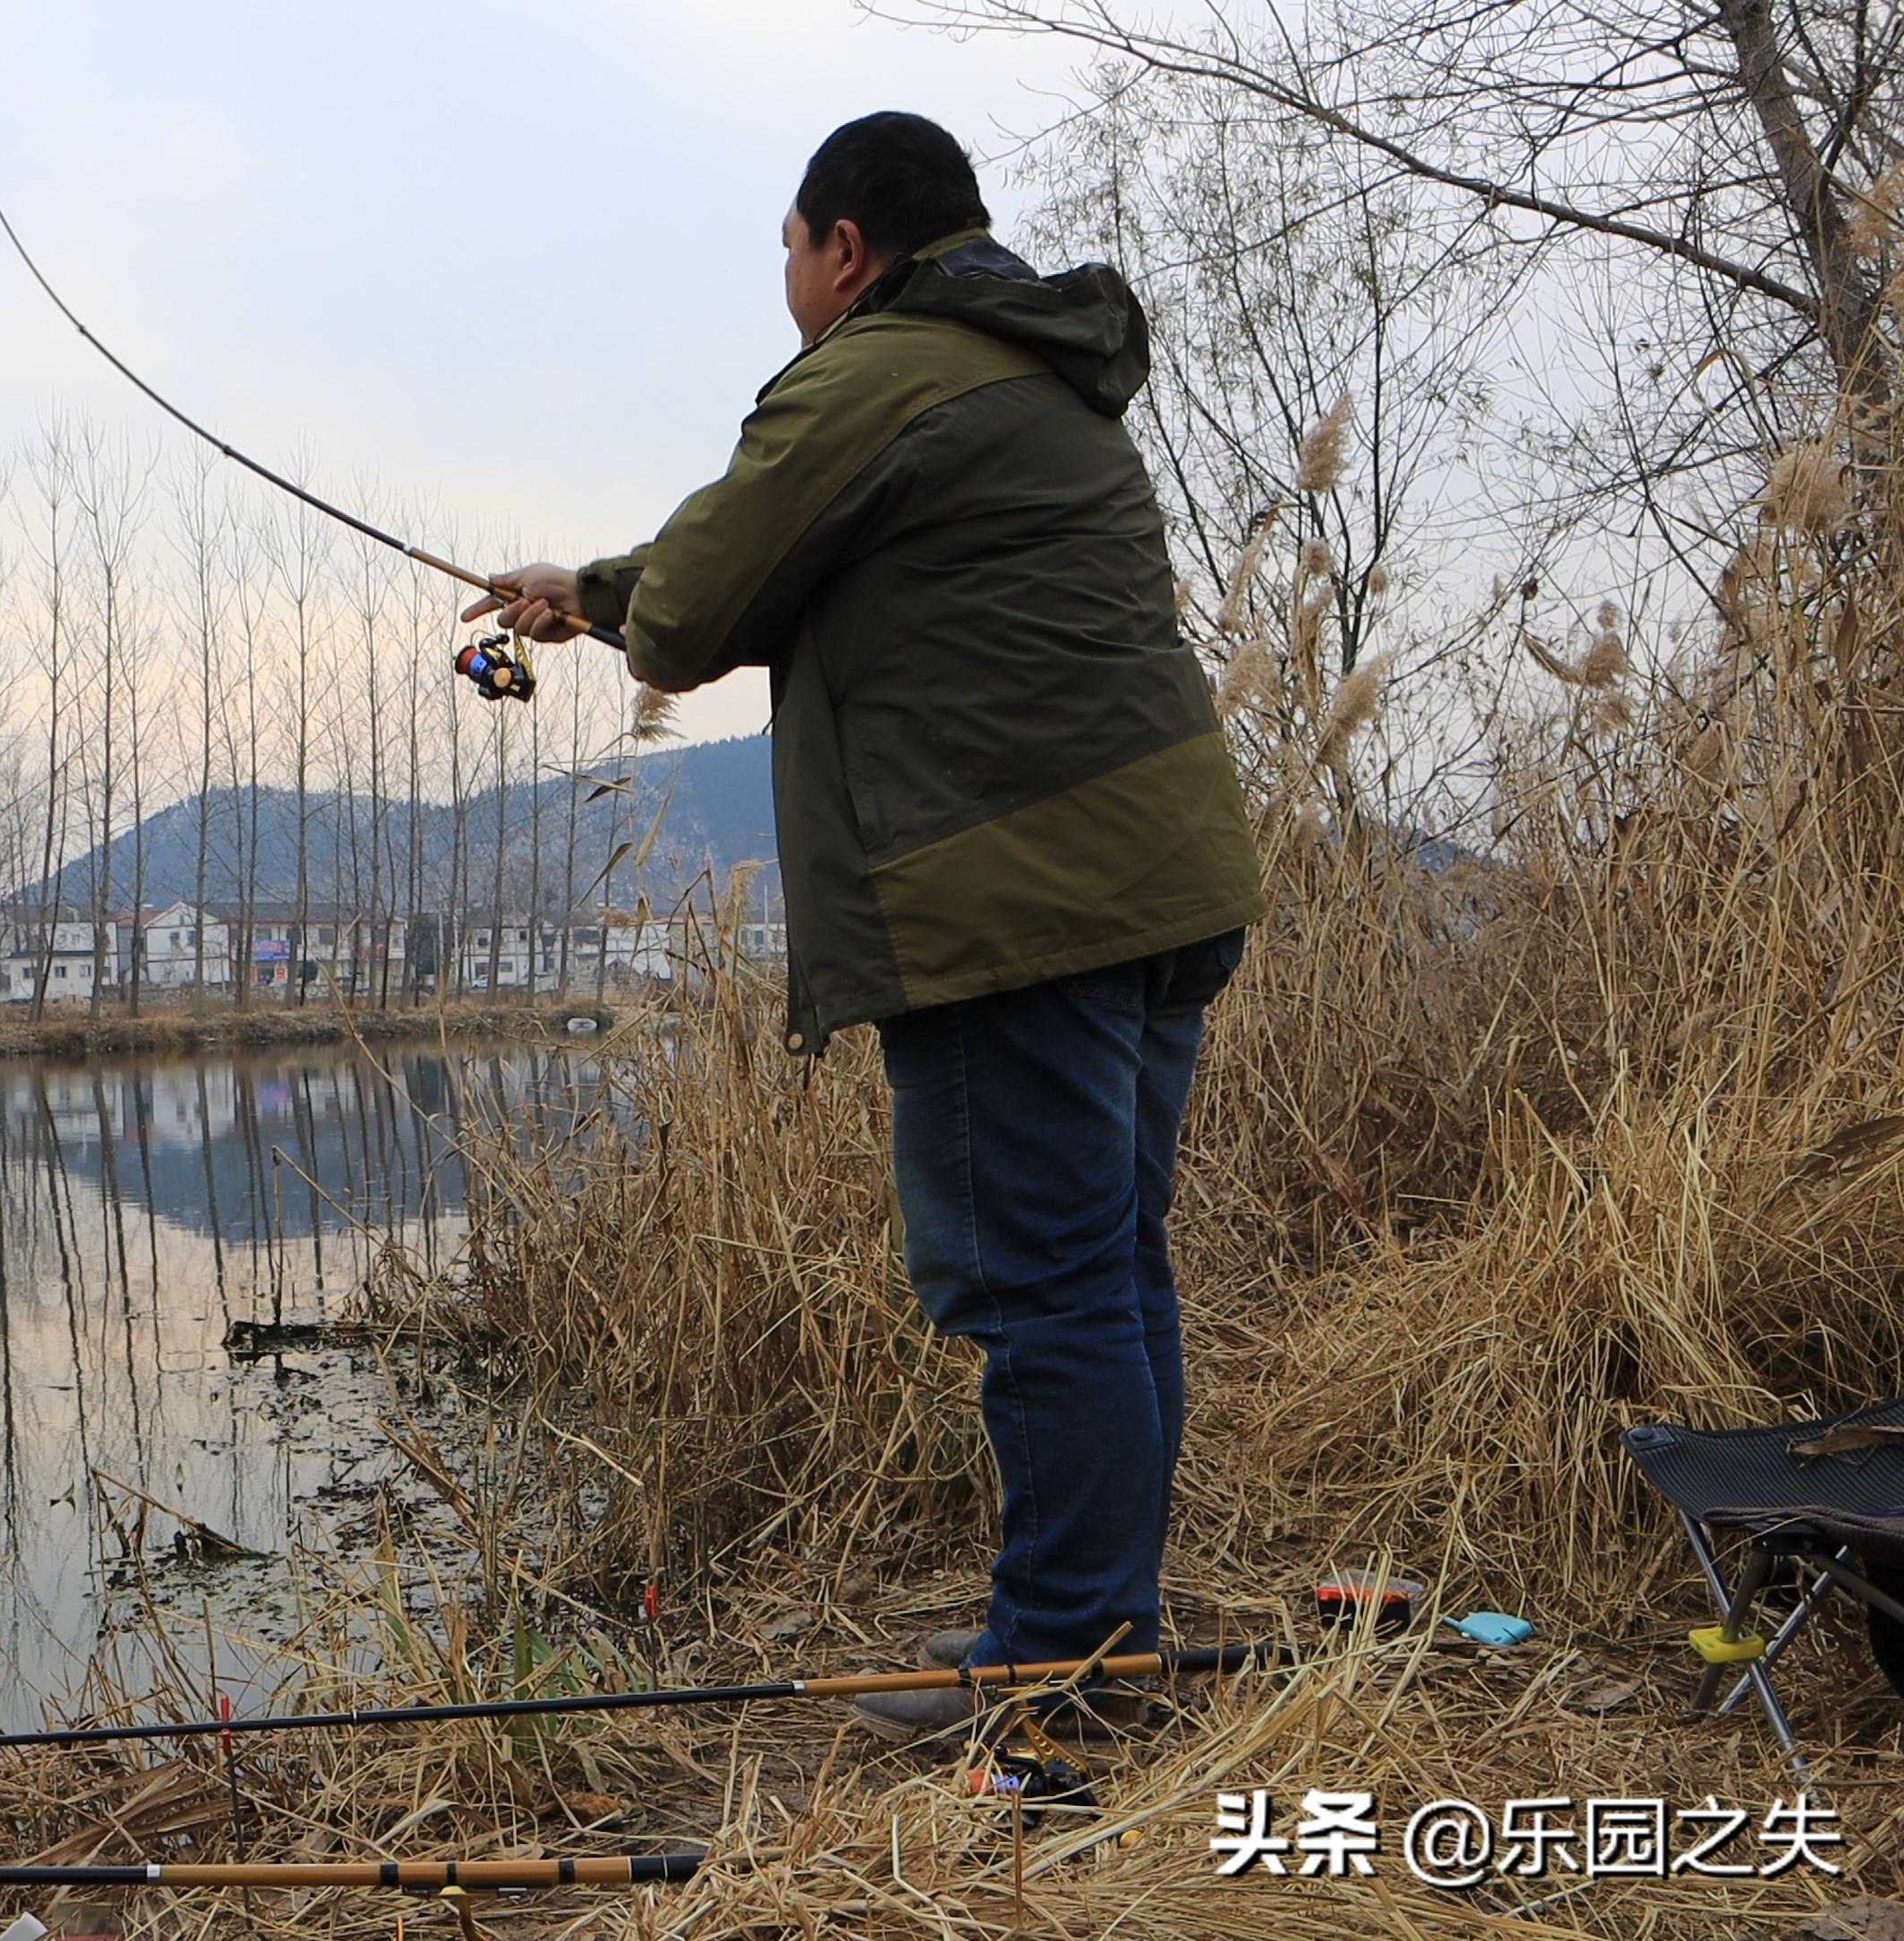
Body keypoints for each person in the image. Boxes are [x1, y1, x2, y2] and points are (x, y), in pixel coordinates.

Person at [470, 111, 1263, 1742]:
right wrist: (592, 586)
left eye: (787, 246)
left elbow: (697, 613)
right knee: (1111, 1270)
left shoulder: (874, 370)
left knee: (1042, 1290)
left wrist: (626, 600)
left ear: (848, 248)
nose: (784, 276)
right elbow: (747, 571)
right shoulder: (1029, 370)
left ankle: (1060, 1674)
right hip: (1161, 878)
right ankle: (1106, 1636)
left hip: (1010, 903)